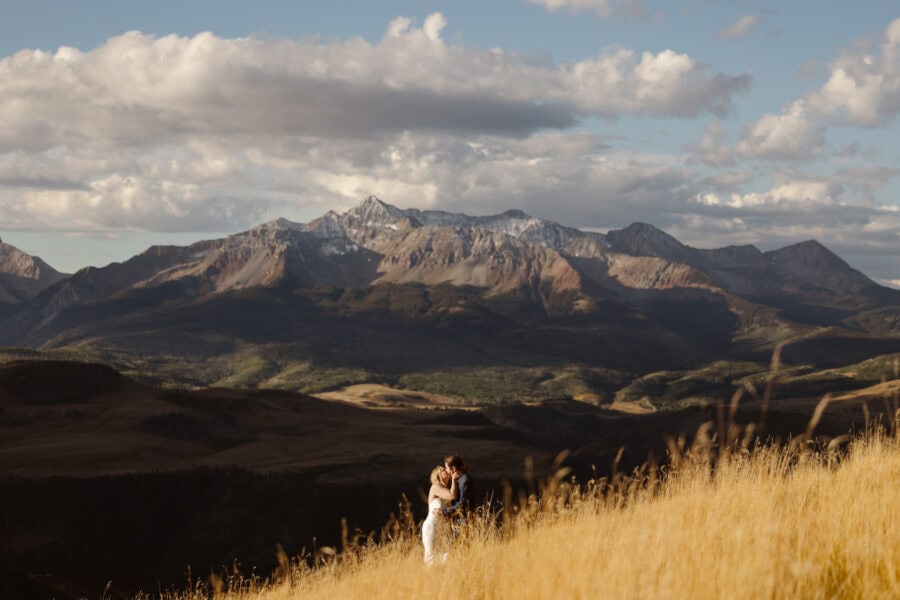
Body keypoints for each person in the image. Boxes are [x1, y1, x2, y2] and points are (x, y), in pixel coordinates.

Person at [422, 465, 458, 565]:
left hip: (441, 528)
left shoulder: (445, 489)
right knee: (431, 558)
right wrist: (454, 479)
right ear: (438, 475)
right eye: (443, 470)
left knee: (444, 556)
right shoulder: (435, 487)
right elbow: (452, 495)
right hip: (432, 527)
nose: (446, 470)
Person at [441, 455, 473, 523]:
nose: (446, 470)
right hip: (458, 520)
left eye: (447, 468)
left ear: (453, 468)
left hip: (463, 521)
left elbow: (463, 504)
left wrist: (445, 512)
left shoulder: (465, 480)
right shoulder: (458, 479)